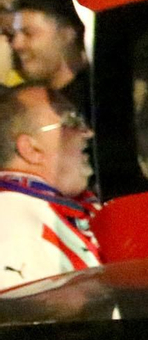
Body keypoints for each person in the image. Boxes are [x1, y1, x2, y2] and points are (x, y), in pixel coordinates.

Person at [0, 85, 98, 289]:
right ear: (32, 149)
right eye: (71, 122)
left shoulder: (39, 210)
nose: (88, 132)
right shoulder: (11, 228)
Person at [9, 0, 92, 123]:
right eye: (13, 35)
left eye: (28, 33)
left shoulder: (98, 96)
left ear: (66, 34)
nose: (17, 44)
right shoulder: (21, 104)